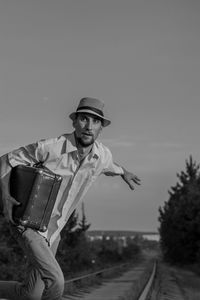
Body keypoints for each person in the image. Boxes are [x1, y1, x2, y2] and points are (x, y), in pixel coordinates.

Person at [0, 97, 141, 300]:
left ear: (101, 128)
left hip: (53, 232)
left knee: (30, 294)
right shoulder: (52, 147)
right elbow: (5, 160)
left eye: (95, 121)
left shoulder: (102, 156)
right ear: (74, 122)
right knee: (56, 282)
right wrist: (5, 198)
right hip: (28, 223)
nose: (88, 126)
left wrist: (124, 172)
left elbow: (111, 167)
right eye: (84, 119)